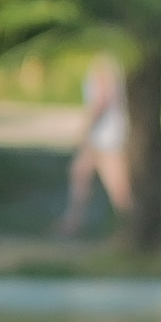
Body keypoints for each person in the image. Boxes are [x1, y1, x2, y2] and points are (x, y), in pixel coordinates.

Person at [58, 51, 132, 237]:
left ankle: (131, 226)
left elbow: (101, 101)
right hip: (102, 136)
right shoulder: (110, 63)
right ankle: (74, 221)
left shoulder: (103, 66)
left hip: (106, 136)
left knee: (119, 188)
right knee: (80, 173)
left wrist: (85, 129)